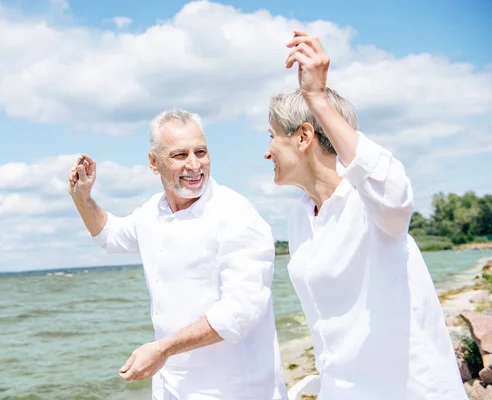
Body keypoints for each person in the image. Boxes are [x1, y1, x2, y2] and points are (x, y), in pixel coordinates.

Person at [264, 30, 467, 400]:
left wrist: (317, 98)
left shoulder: (370, 203)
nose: (267, 152)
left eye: (273, 136)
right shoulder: (299, 219)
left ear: (304, 136)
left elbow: (393, 188)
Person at [68, 110, 288, 400]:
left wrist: (163, 348)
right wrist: (81, 197)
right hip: (171, 389)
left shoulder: (236, 214)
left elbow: (240, 312)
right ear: (154, 163)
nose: (194, 164)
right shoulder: (151, 212)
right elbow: (109, 236)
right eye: (180, 155)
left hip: (236, 389)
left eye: (201, 152)